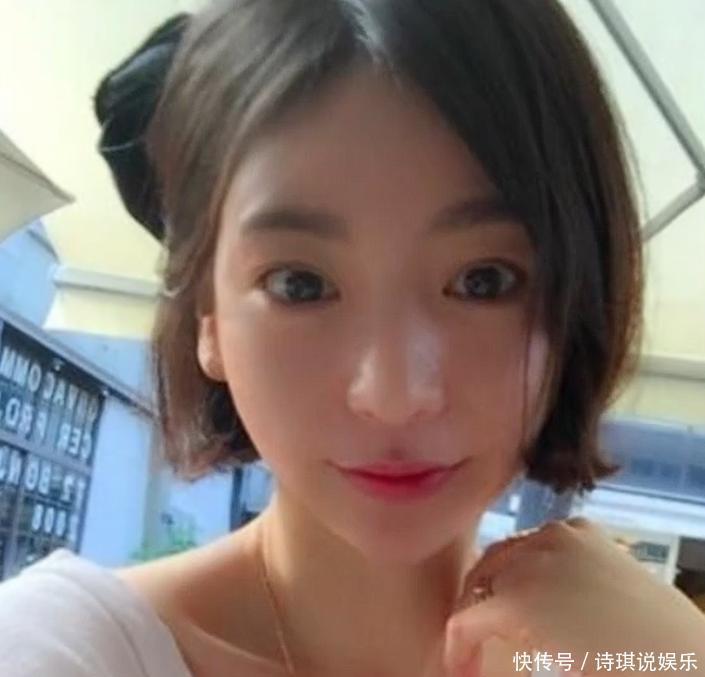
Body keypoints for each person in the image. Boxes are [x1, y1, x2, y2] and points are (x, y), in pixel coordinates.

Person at [1, 1, 703, 676]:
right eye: (299, 284)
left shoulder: (612, 660)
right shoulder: (60, 654)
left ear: (575, 303)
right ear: (207, 318)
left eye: (483, 280)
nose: (393, 395)